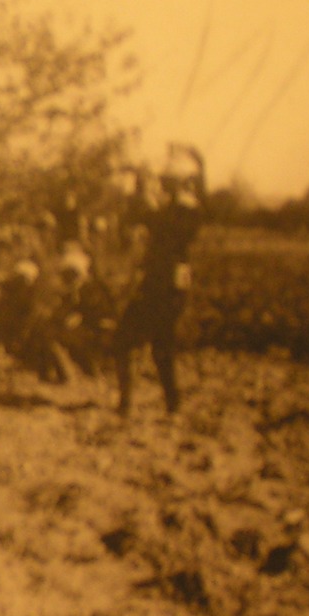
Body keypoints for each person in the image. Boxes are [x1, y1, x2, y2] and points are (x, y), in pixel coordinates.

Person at [112, 144, 208, 415]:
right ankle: (163, 402)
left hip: (165, 286)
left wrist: (147, 198)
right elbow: (141, 219)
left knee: (144, 343)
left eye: (168, 180)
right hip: (160, 284)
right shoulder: (176, 208)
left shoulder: (185, 210)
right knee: (155, 345)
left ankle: (136, 403)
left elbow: (163, 227)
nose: (163, 184)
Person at [40, 245, 116, 381]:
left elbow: (99, 314)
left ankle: (77, 372)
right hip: (89, 330)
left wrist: (78, 319)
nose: (68, 279)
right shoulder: (74, 292)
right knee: (51, 332)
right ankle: (73, 372)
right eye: (66, 275)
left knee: (54, 334)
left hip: (102, 332)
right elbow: (63, 313)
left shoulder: (91, 289)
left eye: (71, 274)